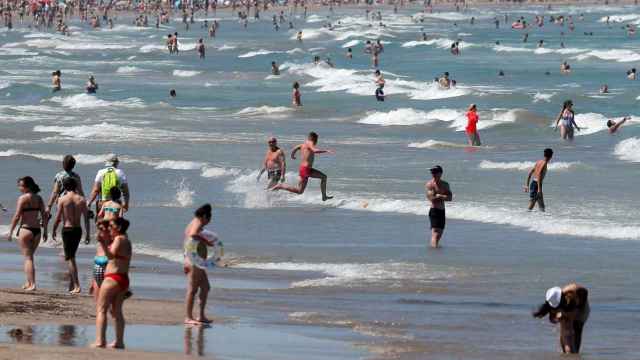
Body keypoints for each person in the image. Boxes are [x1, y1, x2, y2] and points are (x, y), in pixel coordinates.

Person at [93, 217, 132, 349]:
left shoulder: (119, 239)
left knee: (101, 309)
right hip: (123, 279)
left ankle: (100, 341)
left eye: (111, 226)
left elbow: (110, 255)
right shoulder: (126, 240)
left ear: (119, 228)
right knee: (117, 312)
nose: (109, 229)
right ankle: (119, 341)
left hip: (112, 278)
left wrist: (103, 243)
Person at [7, 177, 47, 291]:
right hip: (37, 231)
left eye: (21, 186)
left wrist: (11, 231)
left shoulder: (22, 198)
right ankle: (28, 282)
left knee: (28, 258)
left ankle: (33, 284)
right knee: (30, 257)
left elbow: (17, 216)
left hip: (26, 230)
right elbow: (44, 215)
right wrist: (45, 231)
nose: (19, 188)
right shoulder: (39, 198)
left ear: (27, 187)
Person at [51, 177, 90, 294]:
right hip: (78, 230)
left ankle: (77, 286)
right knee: (72, 256)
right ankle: (72, 285)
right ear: (75, 186)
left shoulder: (62, 199)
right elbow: (86, 219)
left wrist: (53, 229)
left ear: (65, 187)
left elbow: (58, 217)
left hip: (67, 229)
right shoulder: (82, 200)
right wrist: (88, 234)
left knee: (70, 258)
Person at [271, 132, 334, 201]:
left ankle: (324, 196)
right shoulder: (310, 143)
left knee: (323, 177)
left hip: (305, 169)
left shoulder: (303, 144)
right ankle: (281, 186)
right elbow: (315, 151)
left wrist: (292, 155)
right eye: (316, 140)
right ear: (313, 138)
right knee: (299, 191)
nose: (316, 142)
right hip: (306, 170)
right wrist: (326, 151)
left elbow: (296, 147)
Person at [533, 284, 590, 354]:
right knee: (566, 333)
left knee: (576, 330)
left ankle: (573, 354)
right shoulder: (552, 299)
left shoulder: (572, 295)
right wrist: (557, 318)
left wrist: (567, 315)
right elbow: (552, 319)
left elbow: (585, 293)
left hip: (582, 307)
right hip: (568, 306)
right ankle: (567, 353)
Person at [184, 204, 215, 325]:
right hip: (193, 261)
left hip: (195, 261)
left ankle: (201, 316)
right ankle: (188, 317)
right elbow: (193, 235)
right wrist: (207, 242)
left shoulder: (194, 222)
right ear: (204, 216)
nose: (208, 223)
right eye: (208, 219)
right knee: (192, 289)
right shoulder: (197, 223)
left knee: (206, 287)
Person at [45, 155, 84, 221]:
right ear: (73, 165)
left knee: (64, 220)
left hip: (62, 201)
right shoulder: (76, 176)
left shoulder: (59, 176)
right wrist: (84, 203)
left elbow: (55, 192)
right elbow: (80, 191)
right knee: (73, 220)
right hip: (74, 200)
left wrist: (49, 206)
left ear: (63, 164)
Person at [425, 166, 452, 248]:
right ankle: (434, 250)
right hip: (434, 211)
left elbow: (450, 198)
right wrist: (440, 197)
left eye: (435, 172)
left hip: (442, 211)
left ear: (440, 173)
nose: (433, 174)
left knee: (439, 234)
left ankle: (433, 248)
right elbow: (431, 199)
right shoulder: (430, 184)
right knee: (435, 233)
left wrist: (440, 196)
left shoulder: (445, 184)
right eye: (432, 172)